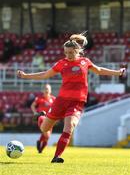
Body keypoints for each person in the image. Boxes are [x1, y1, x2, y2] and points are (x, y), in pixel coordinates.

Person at [17, 33, 126, 163]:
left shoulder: (85, 62)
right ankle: (41, 116)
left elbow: (99, 70)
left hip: (77, 102)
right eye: (66, 53)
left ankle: (56, 156)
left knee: (69, 128)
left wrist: (117, 73)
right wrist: (26, 75)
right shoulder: (61, 63)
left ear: (77, 51)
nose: (68, 55)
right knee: (44, 129)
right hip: (61, 101)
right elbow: (45, 75)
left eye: (70, 52)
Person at [31, 84, 55, 153]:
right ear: (42, 90)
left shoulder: (53, 99)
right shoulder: (39, 98)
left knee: (47, 137)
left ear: (50, 90)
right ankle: (40, 144)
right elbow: (32, 106)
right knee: (47, 134)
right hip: (41, 117)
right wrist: (35, 113)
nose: (46, 90)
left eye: (48, 89)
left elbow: (57, 107)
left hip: (50, 118)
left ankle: (40, 148)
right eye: (45, 88)